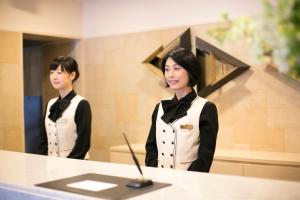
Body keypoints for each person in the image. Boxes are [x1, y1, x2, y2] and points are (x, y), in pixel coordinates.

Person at [145, 48, 218, 172]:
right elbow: (151, 147)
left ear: (190, 71)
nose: (170, 74)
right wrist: (154, 174)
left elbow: (205, 157)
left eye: (177, 68)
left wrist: (187, 180)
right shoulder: (160, 107)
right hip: (159, 180)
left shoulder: (206, 108)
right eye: (167, 69)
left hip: (189, 184)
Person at [39, 56, 92, 159]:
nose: (54, 77)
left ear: (72, 75)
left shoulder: (82, 104)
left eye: (59, 73)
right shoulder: (50, 103)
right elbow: (43, 139)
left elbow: (83, 143)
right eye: (52, 72)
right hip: (50, 166)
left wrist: (67, 165)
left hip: (76, 166)